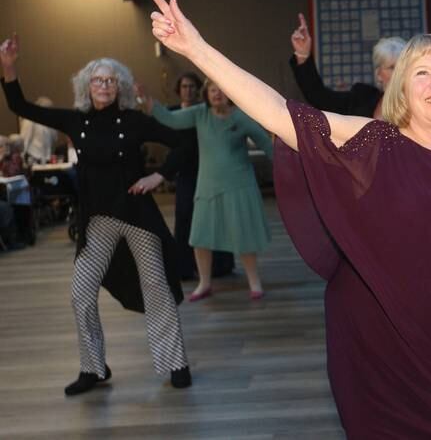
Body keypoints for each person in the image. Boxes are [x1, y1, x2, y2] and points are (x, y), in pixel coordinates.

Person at [149, 0, 431, 439]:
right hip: (382, 347)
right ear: (402, 86)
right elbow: (278, 112)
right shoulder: (378, 144)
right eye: (422, 72)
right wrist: (196, 48)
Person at [0, 33, 191, 394]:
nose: (103, 85)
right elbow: (23, 107)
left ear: (119, 87)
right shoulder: (76, 121)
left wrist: (158, 175)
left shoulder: (135, 121)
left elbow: (185, 143)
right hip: (97, 220)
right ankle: (94, 368)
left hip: (136, 215)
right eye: (97, 80)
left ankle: (176, 362)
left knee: (155, 286)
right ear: (87, 86)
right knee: (80, 292)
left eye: (110, 80)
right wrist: (8, 68)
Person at [140, 77, 273, 301]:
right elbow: (170, 119)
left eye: (221, 90)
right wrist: (147, 102)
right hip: (207, 185)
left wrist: (292, 169)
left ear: (229, 93)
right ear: (206, 93)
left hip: (239, 186)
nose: (216, 94)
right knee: (200, 237)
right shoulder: (199, 114)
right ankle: (204, 283)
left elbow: (267, 144)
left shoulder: (241, 117)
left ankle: (254, 282)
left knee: (243, 236)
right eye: (212, 90)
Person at [168, 72, 235, 280]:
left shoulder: (205, 112)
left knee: (215, 216)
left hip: (208, 169)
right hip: (185, 171)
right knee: (184, 216)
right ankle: (184, 268)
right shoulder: (172, 112)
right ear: (178, 90)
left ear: (198, 90)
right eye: (184, 86)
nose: (188, 90)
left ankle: (220, 266)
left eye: (191, 86)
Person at [289, 13, 405, 118]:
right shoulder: (362, 97)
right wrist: (302, 55)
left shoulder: (416, 104)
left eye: (403, 67)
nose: (398, 72)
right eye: (392, 67)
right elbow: (320, 98)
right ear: (379, 73)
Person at [19, 96, 58, 164]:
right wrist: (22, 158)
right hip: (34, 157)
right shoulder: (30, 120)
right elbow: (24, 139)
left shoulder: (51, 125)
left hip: (47, 158)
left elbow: (53, 143)